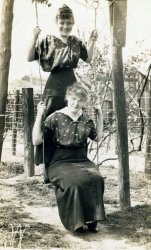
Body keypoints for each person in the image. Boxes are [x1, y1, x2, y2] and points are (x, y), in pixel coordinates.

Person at [27, 4, 98, 181]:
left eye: (69, 23)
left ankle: (73, 166)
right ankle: (48, 172)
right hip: (53, 87)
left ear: (72, 23)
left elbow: (88, 59)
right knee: (50, 125)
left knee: (74, 122)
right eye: (62, 23)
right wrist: (34, 36)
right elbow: (29, 57)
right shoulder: (48, 40)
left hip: (72, 86)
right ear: (57, 22)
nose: (65, 26)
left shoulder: (75, 41)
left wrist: (92, 42)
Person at [32, 83, 106, 233]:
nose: (76, 103)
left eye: (80, 100)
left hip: (81, 159)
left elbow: (98, 137)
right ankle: (76, 221)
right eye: (73, 99)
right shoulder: (55, 117)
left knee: (96, 179)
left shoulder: (86, 118)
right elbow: (36, 141)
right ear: (67, 98)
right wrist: (39, 114)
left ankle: (92, 219)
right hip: (60, 161)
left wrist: (100, 114)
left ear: (84, 102)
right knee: (74, 182)